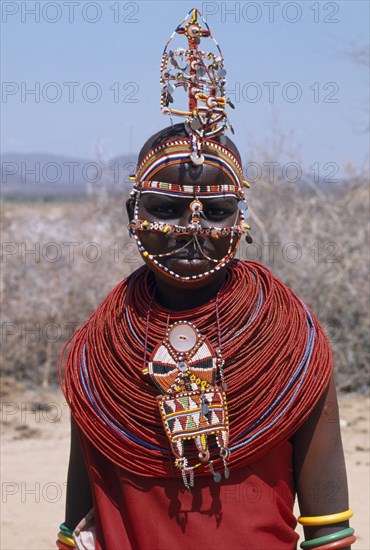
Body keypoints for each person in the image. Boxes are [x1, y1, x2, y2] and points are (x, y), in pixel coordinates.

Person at [57, 9, 355, 550]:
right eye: (165, 208)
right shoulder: (97, 353)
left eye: (214, 212)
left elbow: (330, 530)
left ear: (241, 220)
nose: (191, 230)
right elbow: (77, 527)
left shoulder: (294, 343)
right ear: (131, 215)